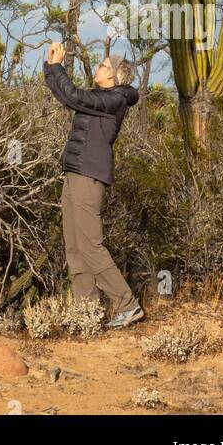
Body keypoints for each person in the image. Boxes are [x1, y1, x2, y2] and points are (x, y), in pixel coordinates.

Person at [43, 39, 144, 328]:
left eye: (101, 66)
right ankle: (86, 314)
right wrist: (52, 68)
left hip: (89, 175)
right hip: (75, 171)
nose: (97, 68)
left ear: (112, 76)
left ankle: (127, 304)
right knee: (74, 247)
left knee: (90, 245)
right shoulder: (103, 96)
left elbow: (75, 96)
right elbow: (68, 97)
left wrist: (58, 68)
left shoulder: (114, 99)